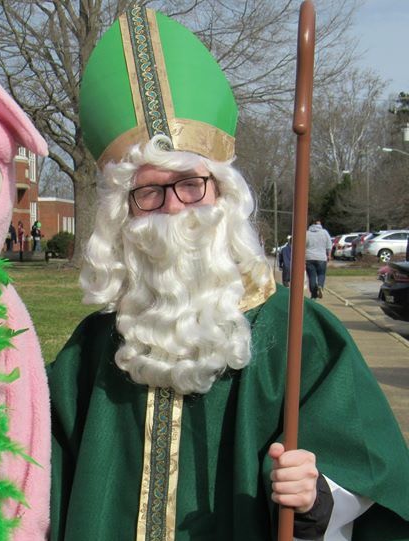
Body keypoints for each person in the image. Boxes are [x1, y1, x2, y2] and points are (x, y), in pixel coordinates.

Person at [47, 7, 409, 541]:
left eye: (191, 184)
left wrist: (317, 496)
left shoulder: (296, 335)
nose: (173, 209)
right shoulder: (91, 350)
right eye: (148, 191)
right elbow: (32, 478)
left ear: (222, 194)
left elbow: (370, 468)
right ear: (122, 214)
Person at [305, 218, 332, 299]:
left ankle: (313, 295)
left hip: (309, 257)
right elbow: (329, 245)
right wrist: (329, 255)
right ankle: (320, 285)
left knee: (312, 276)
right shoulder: (324, 232)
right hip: (321, 257)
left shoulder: (307, 233)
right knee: (321, 274)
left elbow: (303, 246)